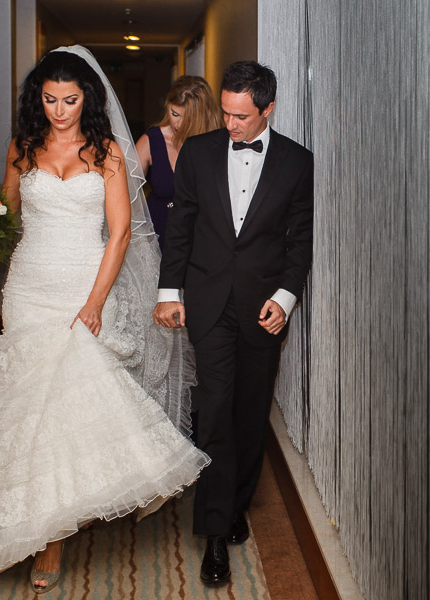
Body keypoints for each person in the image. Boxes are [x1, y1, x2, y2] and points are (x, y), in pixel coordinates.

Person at [0, 46, 209, 592]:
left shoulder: (106, 154)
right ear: (39, 100)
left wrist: (96, 301)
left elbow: (121, 233)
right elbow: (7, 217)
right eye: (50, 100)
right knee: (24, 401)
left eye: (71, 100)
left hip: (83, 283)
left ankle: (50, 539)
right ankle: (16, 512)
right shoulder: (22, 149)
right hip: (30, 287)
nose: (60, 111)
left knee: (66, 404)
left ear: (87, 100)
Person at [152, 61, 313, 585]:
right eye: (225, 112)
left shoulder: (296, 162)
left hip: (262, 308)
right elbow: (181, 226)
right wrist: (170, 291)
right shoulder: (198, 153)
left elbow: (299, 242)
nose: (230, 124)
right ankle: (215, 531)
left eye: (241, 116)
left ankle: (237, 499)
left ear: (267, 109)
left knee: (249, 413)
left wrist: (285, 299)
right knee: (215, 408)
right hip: (209, 300)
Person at [135, 76, 222, 249]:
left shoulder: (216, 143)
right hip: (159, 234)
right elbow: (126, 193)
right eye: (174, 114)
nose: (178, 123)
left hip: (202, 238)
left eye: (187, 118)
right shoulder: (151, 140)